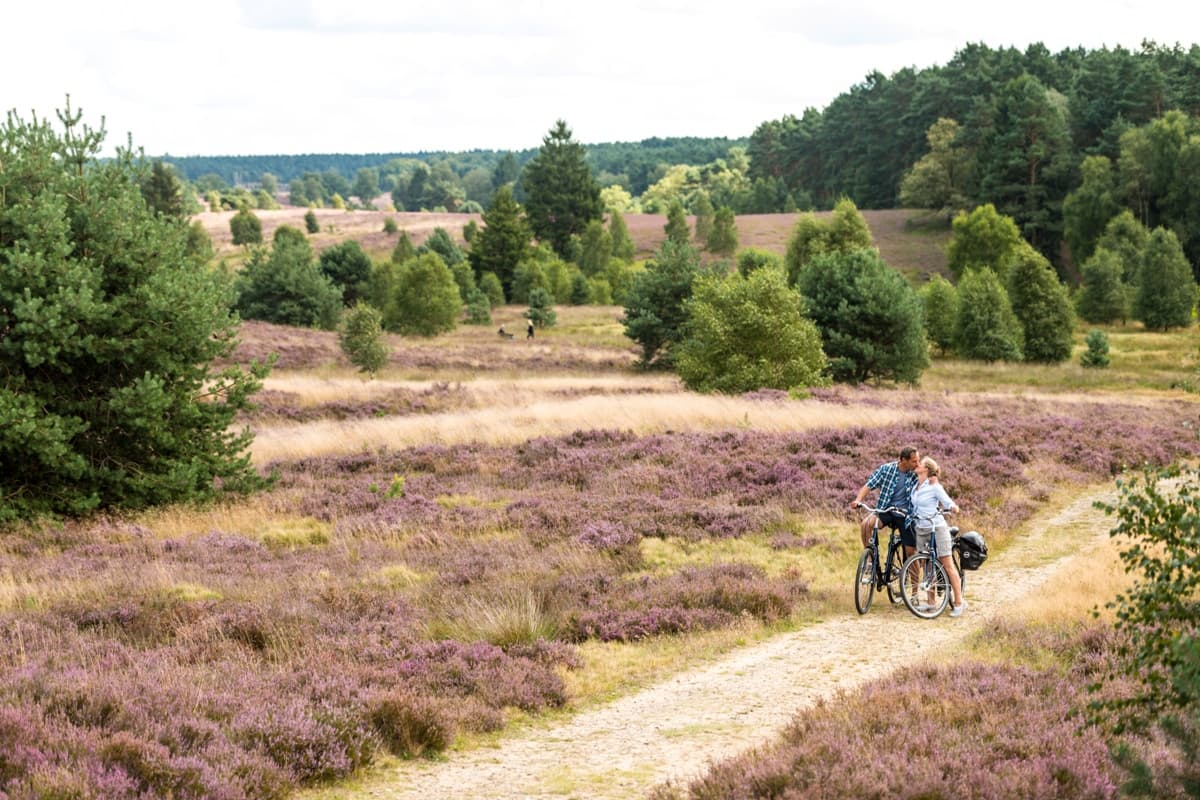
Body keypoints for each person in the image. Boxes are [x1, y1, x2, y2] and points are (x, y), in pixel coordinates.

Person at [910, 456, 965, 616]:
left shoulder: (934, 486)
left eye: (920, 463)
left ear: (926, 469)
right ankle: (931, 603)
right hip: (921, 528)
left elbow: (947, 502)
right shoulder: (916, 486)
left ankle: (959, 602)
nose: (917, 464)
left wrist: (953, 507)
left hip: (937, 528)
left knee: (947, 565)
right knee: (927, 565)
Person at [850, 445, 920, 553]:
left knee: (910, 552)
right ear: (903, 460)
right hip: (886, 510)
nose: (918, 464)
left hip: (905, 515)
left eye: (918, 461)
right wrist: (858, 500)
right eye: (914, 461)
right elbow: (869, 485)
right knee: (866, 525)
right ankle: (870, 557)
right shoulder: (886, 469)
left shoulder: (916, 474)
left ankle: (910, 564)